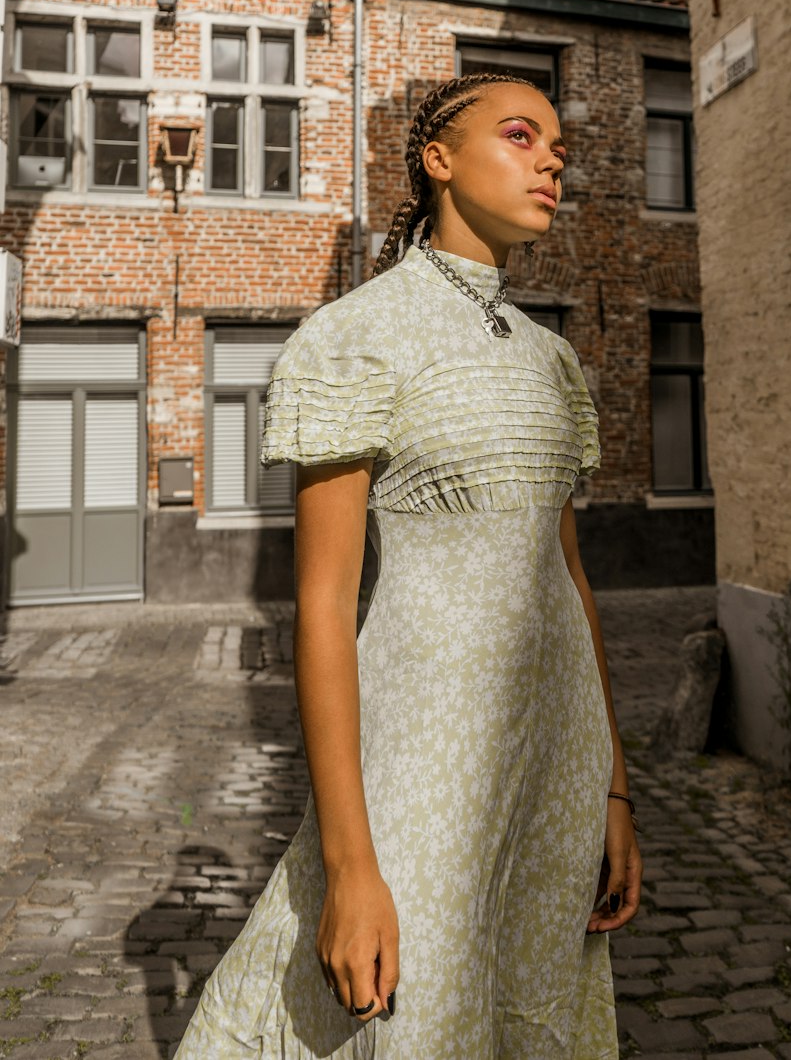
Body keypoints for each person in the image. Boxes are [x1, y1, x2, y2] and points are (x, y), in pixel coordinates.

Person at [174, 71, 642, 1059]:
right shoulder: (353, 340)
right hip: (424, 760)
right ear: (437, 160)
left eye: (558, 146)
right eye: (521, 135)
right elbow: (323, 605)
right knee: (411, 1023)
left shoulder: (552, 360)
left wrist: (613, 791)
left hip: (559, 760)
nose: (551, 158)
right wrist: (349, 867)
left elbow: (569, 575)